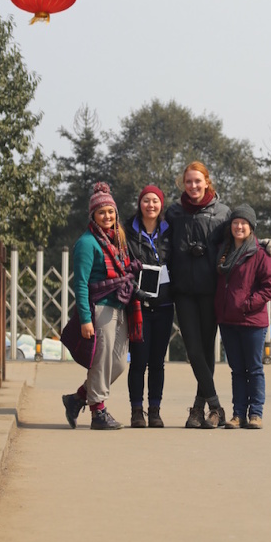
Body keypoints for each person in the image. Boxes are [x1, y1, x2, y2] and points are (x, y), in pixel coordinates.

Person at [61, 181, 142, 431]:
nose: (107, 216)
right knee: (101, 361)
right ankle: (98, 413)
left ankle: (77, 398)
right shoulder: (87, 243)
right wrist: (86, 319)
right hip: (100, 308)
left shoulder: (118, 239)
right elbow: (82, 285)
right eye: (101, 212)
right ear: (93, 215)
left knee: (117, 364)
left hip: (120, 307)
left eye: (110, 211)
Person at [166, 161, 231, 428]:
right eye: (188, 181)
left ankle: (198, 410)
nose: (193, 186)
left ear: (207, 181)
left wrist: (262, 245)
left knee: (205, 349)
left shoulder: (223, 212)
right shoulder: (173, 212)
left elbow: (238, 238)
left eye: (197, 181)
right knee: (193, 350)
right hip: (183, 290)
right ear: (183, 184)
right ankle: (216, 406)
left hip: (210, 289)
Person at [215, 204, 271, 429]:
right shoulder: (223, 251)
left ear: (251, 227)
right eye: (235, 222)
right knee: (237, 370)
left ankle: (256, 413)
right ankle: (238, 414)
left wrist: (248, 304)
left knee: (254, 368)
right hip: (228, 320)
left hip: (252, 321)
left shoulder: (260, 254)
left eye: (243, 223)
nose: (239, 226)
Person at [125, 184, 173, 428]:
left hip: (164, 306)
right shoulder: (127, 231)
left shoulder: (169, 231)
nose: (150, 205)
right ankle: (136, 411)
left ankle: (155, 410)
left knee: (157, 362)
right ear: (139, 203)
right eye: (146, 200)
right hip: (138, 306)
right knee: (138, 361)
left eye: (155, 201)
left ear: (161, 204)